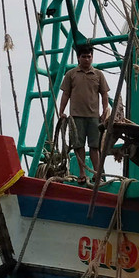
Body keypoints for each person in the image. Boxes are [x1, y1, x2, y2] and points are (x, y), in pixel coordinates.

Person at [57, 43, 111, 181]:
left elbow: (104, 94)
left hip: (93, 117)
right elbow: (65, 94)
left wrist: (105, 110)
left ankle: (97, 173)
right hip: (76, 117)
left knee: (94, 146)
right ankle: (82, 174)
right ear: (78, 58)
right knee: (78, 145)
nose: (87, 59)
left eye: (89, 56)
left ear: (92, 57)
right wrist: (61, 111)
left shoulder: (98, 74)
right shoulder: (71, 74)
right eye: (84, 57)